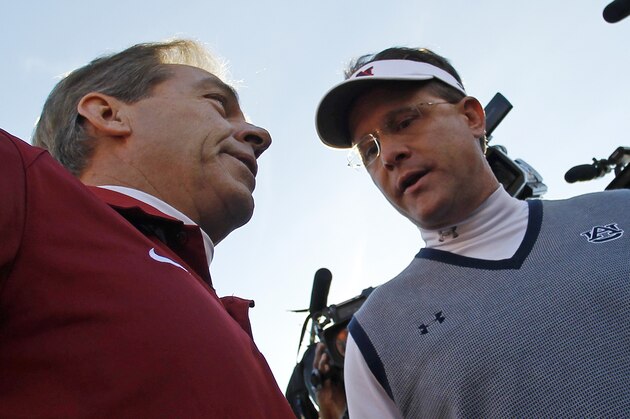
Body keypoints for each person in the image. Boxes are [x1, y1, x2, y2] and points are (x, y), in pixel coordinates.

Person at [314, 47, 630, 417]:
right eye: (369, 149)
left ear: (471, 117)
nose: (388, 156)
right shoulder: (375, 337)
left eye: (404, 121)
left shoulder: (619, 210)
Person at [0, 39, 293, 417]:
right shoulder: (23, 186)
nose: (259, 135)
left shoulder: (219, 313)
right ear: (108, 113)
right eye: (217, 104)